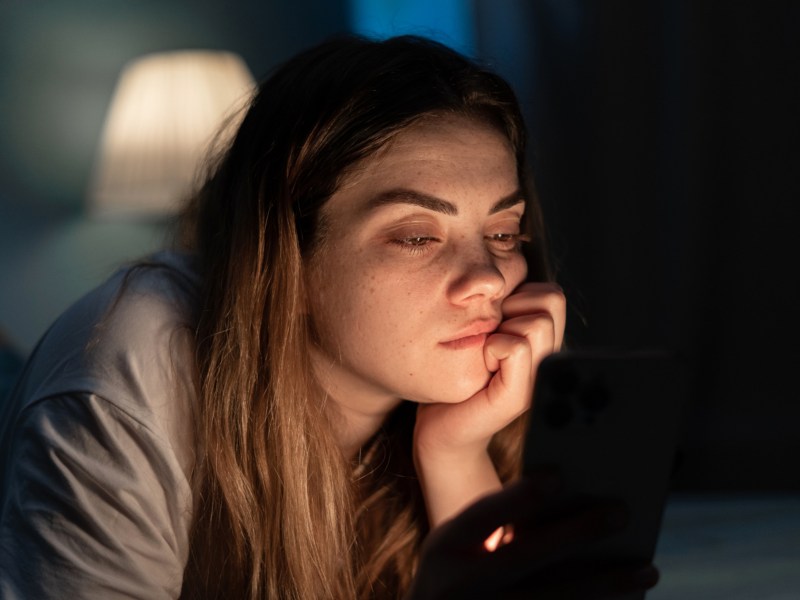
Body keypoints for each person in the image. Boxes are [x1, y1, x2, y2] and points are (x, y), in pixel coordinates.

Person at [0, 36, 658, 599]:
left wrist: (455, 449)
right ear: (286, 253)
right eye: (416, 236)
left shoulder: (455, 401)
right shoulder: (129, 374)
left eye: (505, 233)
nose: (488, 279)